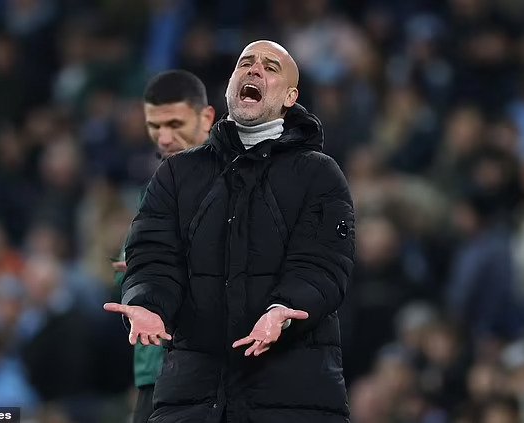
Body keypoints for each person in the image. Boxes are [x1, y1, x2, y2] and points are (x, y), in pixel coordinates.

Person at [105, 40, 356, 423]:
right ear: (228, 87)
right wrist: (147, 302)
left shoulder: (319, 174)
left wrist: (283, 310)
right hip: (192, 399)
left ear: (291, 97)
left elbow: (322, 265)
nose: (254, 69)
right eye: (246, 63)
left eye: (270, 67)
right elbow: (153, 257)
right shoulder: (176, 174)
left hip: (293, 397)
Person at [111, 69, 215, 423]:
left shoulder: (235, 181)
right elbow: (128, 273)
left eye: (175, 124)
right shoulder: (155, 189)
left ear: (206, 118)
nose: (165, 138)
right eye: (154, 126)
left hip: (207, 370)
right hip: (153, 369)